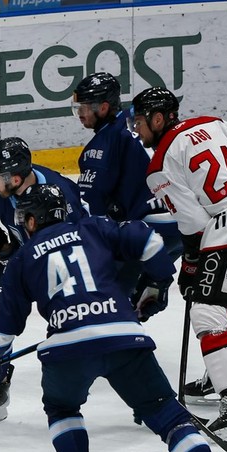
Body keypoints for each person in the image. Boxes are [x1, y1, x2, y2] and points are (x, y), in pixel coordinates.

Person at [0, 183, 227, 452]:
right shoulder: (93, 227)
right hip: (124, 337)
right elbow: (149, 240)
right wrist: (157, 283)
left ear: (33, 220)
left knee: (62, 408)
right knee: (167, 415)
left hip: (67, 349)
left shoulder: (22, 258)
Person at [133, 87, 227, 440]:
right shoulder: (209, 124)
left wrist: (191, 264)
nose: (136, 129)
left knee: (205, 310)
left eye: (139, 121)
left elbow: (194, 224)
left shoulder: (160, 166)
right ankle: (218, 374)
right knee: (214, 298)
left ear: (157, 119)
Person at [0, 136, 85, 425]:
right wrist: (3, 247)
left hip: (61, 263)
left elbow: (84, 236)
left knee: (73, 324)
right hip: (21, 259)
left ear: (14, 179)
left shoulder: (61, 193)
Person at [71, 72, 183, 291]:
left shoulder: (99, 146)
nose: (80, 113)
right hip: (182, 225)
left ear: (103, 108)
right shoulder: (139, 120)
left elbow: (93, 207)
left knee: (110, 299)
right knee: (145, 295)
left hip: (147, 232)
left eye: (84, 107)